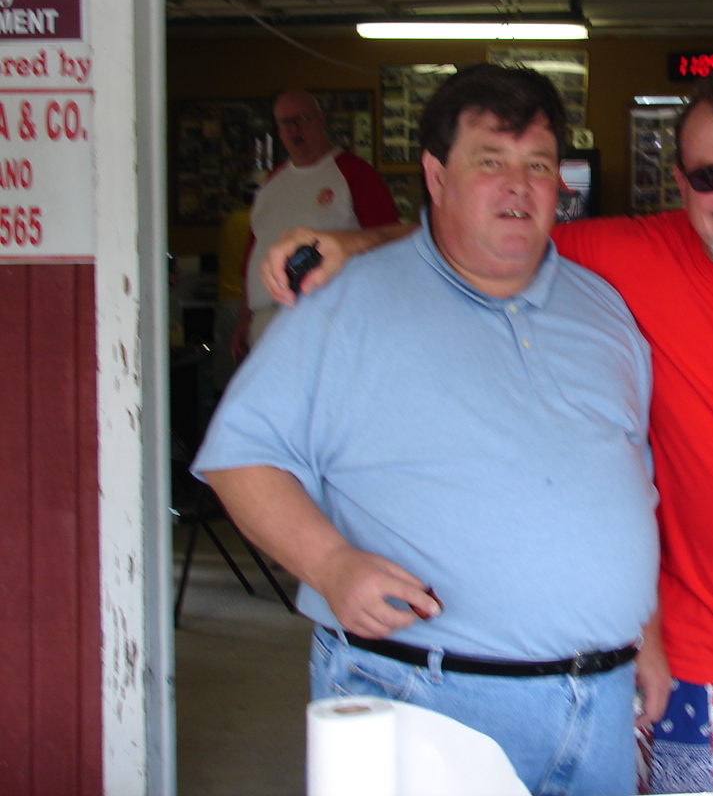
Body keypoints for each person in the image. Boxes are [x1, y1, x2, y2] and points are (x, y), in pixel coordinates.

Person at [262, 69, 713, 796]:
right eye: (708, 176)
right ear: (680, 184)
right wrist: (359, 245)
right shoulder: (628, 255)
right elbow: (491, 229)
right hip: (689, 671)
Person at [193, 64, 660, 796]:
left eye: (539, 165)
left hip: (601, 701)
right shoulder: (346, 304)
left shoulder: (602, 308)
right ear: (437, 177)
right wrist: (330, 564)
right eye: (490, 162)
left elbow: (631, 480)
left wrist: (645, 633)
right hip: (424, 693)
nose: (519, 186)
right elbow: (240, 457)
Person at [232, 89, 401, 357]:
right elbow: (255, 251)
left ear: (320, 120)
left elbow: (392, 244)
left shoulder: (356, 174)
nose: (294, 129)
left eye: (301, 119)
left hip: (329, 322)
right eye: (285, 123)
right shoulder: (271, 182)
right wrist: (244, 318)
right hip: (265, 322)